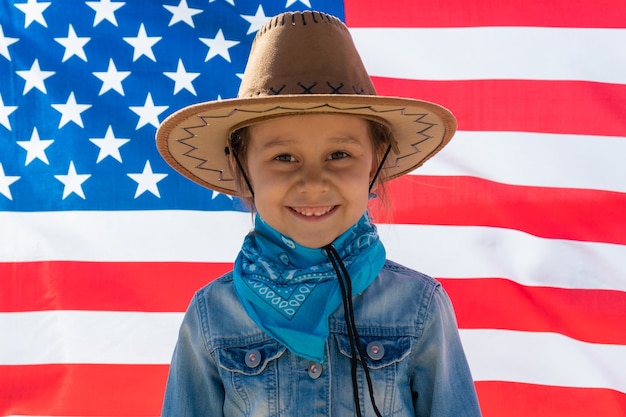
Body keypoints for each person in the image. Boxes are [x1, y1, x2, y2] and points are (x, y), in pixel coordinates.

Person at [156, 10, 482, 417]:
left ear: (375, 164)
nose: (313, 183)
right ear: (243, 169)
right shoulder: (212, 316)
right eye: (284, 157)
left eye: (339, 154)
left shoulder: (418, 306)